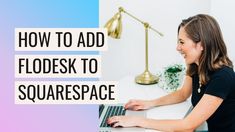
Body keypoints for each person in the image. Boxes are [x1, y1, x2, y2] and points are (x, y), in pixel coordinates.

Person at [107, 14, 235, 132]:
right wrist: (149, 103)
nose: (178, 47)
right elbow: (183, 93)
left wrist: (137, 121)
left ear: (201, 45)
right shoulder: (196, 65)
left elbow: (188, 126)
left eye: (182, 42)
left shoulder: (223, 77)